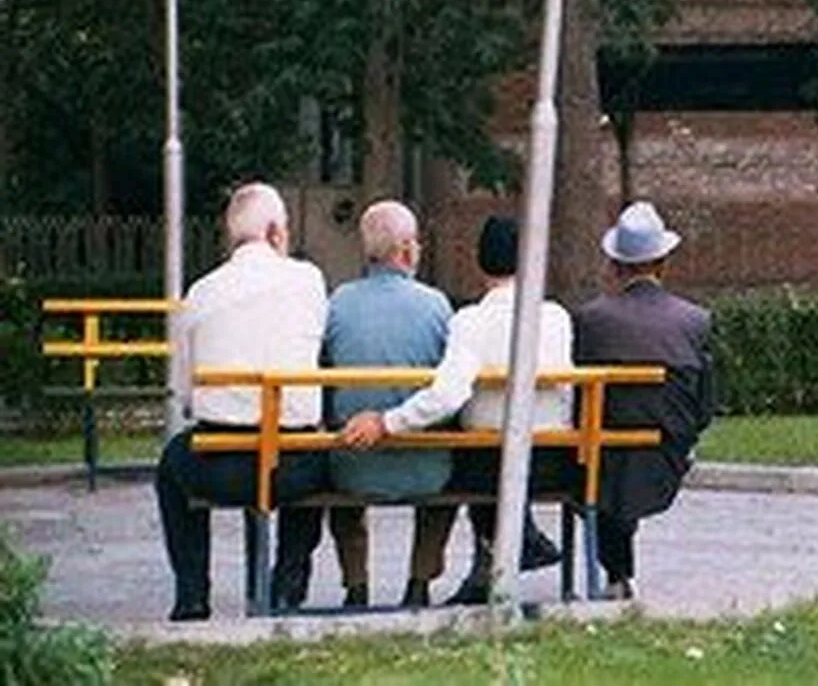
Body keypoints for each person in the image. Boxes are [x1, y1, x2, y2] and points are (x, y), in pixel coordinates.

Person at [341, 216, 570, 606]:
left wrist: (386, 422)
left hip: (487, 467)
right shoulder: (556, 317)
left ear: (480, 264)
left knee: (461, 449)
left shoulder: (470, 321)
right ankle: (509, 549)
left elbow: (447, 396)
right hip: (551, 460)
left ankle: (494, 559)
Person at [156, 182, 329, 621]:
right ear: (275, 232)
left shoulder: (200, 292)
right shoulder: (308, 280)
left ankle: (192, 594)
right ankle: (288, 582)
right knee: (322, 457)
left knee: (171, 466)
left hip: (221, 465)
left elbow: (184, 391)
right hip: (291, 465)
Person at [572, 201, 713, 600]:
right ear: (663, 263)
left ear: (615, 265)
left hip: (602, 454)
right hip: (666, 449)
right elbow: (704, 405)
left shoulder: (590, 320)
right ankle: (619, 575)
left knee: (606, 466)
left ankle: (617, 574)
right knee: (622, 464)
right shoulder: (695, 321)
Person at [319, 200, 455, 608]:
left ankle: (356, 585)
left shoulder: (338, 302)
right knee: (451, 465)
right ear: (407, 250)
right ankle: (419, 582)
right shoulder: (436, 305)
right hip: (426, 469)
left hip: (353, 466)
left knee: (337, 447)